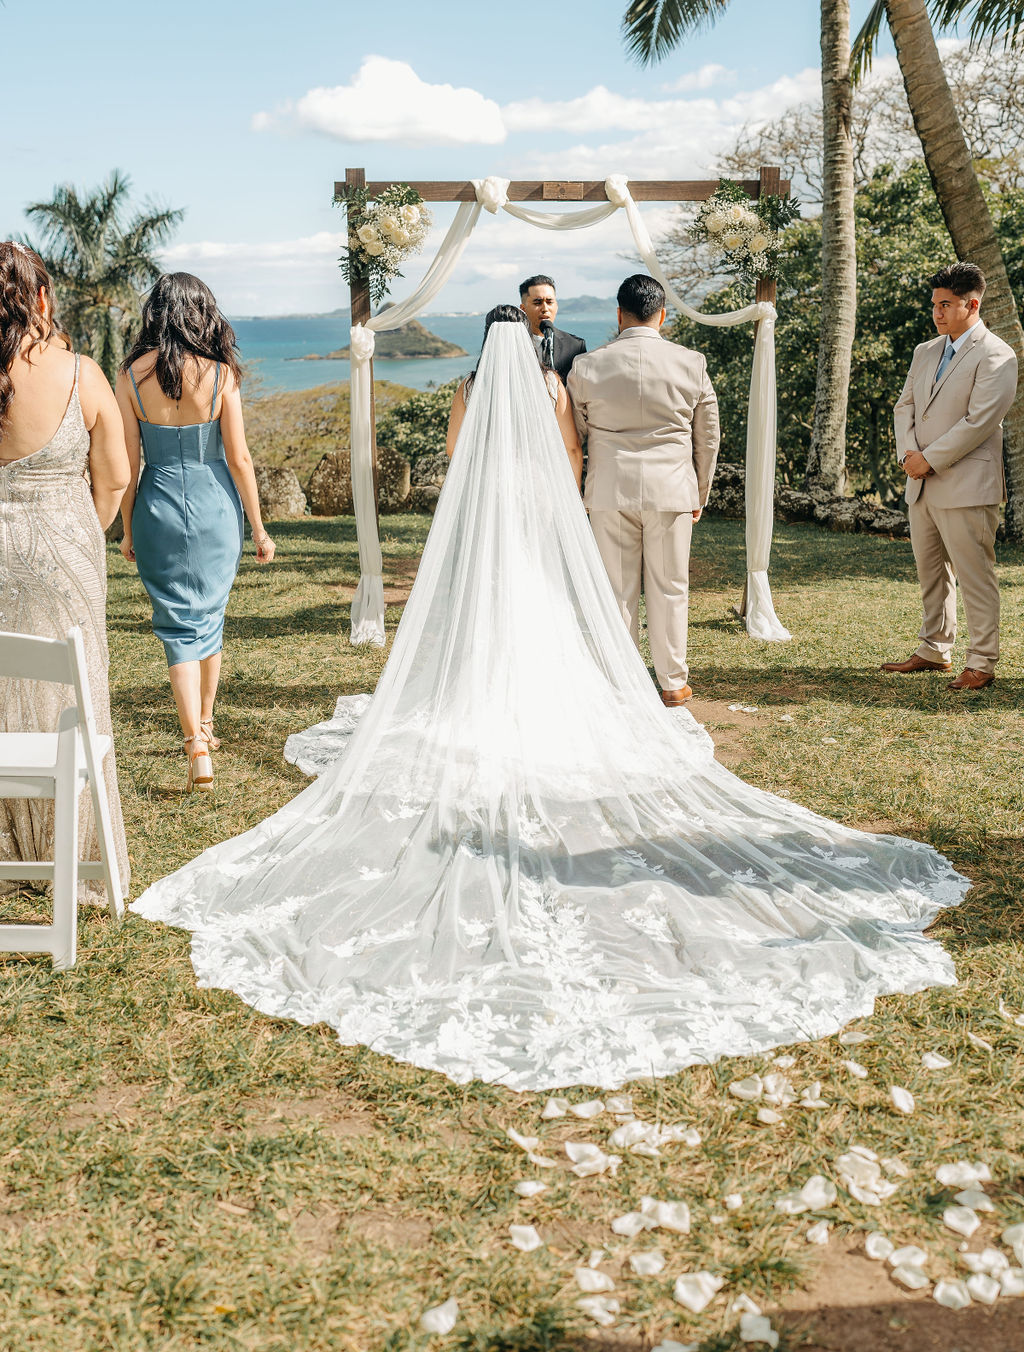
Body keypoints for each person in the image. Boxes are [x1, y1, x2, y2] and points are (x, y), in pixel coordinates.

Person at [133, 307, 966, 1094]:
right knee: (540, 614)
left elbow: (458, 459)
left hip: (485, 516)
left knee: (480, 617)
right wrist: (551, 500)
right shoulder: (551, 385)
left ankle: (471, 696)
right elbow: (571, 456)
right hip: (538, 515)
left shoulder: (465, 392)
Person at [0, 241, 131, 899]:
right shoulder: (80, 374)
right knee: (73, 704)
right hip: (65, 561)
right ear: (40, 299)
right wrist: (76, 536)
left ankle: (13, 852)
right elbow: (115, 477)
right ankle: (68, 863)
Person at [116, 273, 276, 792]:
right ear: (202, 312)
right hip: (215, 507)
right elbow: (240, 457)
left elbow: (128, 460)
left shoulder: (131, 375)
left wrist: (126, 528)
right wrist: (258, 526)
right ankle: (203, 729)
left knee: (177, 625)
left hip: (157, 505)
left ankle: (197, 742)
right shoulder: (221, 373)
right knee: (209, 615)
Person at [568, 274, 719, 707]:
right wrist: (700, 493)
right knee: (670, 586)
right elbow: (707, 437)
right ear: (662, 316)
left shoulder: (588, 366)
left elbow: (577, 435)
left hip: (609, 489)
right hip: (672, 489)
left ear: (619, 315)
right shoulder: (691, 362)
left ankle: (623, 680)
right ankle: (672, 681)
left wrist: (582, 488)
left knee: (616, 589)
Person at [883, 262, 1018, 690]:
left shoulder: (998, 354)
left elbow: (980, 421)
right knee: (931, 573)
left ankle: (982, 661)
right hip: (920, 481)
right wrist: (910, 454)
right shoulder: (925, 351)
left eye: (945, 305)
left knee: (974, 573)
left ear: (971, 304)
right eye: (935, 304)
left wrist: (930, 459)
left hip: (965, 484)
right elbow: (904, 406)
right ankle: (934, 648)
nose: (937, 313)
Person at [446, 304, 582, 485]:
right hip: (539, 484)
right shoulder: (550, 383)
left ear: (488, 338)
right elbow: (571, 448)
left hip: (488, 483)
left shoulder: (471, 386)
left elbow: (453, 448)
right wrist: (573, 494)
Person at [519, 274, 586, 383]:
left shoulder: (575, 346)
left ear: (556, 306)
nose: (545, 308)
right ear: (523, 309)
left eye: (549, 302)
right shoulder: (513, 343)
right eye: (537, 302)